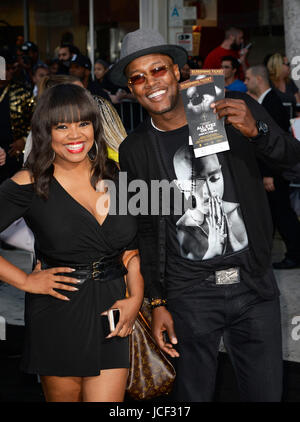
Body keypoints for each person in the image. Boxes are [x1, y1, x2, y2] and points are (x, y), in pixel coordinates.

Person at [109, 28, 300, 402]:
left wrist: (258, 132)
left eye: (159, 70)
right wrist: (157, 301)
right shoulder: (134, 149)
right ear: (131, 89)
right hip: (189, 294)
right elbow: (144, 228)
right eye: (138, 77)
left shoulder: (227, 110)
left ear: (178, 72)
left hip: (253, 287)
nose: (151, 84)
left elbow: (294, 163)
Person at [0, 84, 143, 402]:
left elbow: (131, 249)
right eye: (61, 126)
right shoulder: (31, 182)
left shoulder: (118, 176)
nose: (74, 135)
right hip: (59, 311)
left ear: (95, 126)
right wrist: (24, 280)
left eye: (82, 123)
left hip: (113, 309)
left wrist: (136, 297)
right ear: (44, 131)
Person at [245, 65, 300, 269]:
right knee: (275, 214)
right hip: (273, 170)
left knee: (282, 214)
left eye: (248, 78)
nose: (245, 82)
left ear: (259, 79)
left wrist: (269, 175)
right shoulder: (267, 100)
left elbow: (273, 142)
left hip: (275, 171)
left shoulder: (272, 102)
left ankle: (295, 254)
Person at [0, 50, 34, 184]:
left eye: (10, 68)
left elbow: (36, 122)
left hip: (14, 153)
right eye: (4, 68)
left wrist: (25, 140)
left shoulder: (23, 92)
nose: (8, 72)